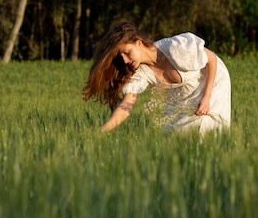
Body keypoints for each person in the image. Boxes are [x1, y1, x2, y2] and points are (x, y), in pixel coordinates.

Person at [83, 21, 231, 135]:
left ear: (138, 42)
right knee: (176, 137)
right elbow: (126, 106)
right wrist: (102, 131)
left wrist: (206, 97)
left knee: (206, 127)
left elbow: (211, 59)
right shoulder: (139, 73)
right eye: (121, 57)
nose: (125, 60)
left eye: (126, 52)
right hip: (183, 95)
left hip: (212, 81)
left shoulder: (175, 47)